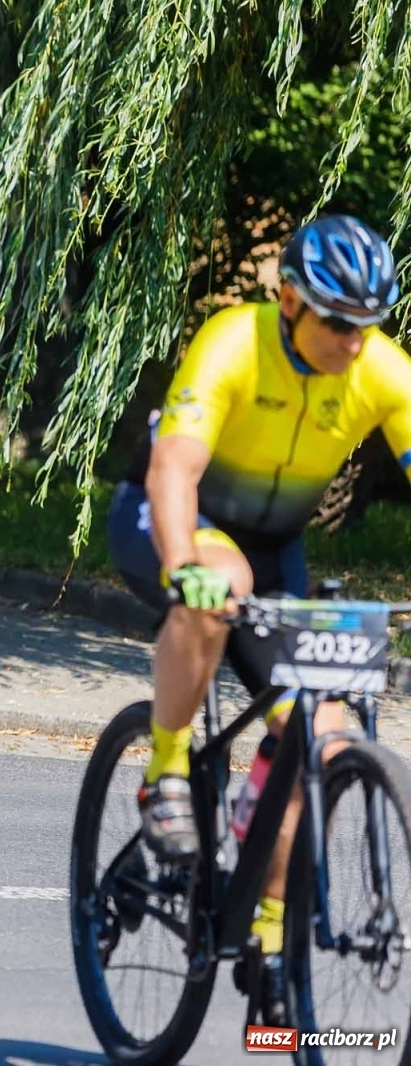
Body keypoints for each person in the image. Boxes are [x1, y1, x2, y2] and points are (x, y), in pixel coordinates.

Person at [107, 213, 411, 1022]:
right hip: (166, 517)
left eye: (368, 326)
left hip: (278, 551)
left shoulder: (382, 370)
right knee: (219, 573)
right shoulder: (234, 342)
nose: (354, 343)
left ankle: (270, 938)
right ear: (289, 300)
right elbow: (175, 466)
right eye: (338, 323)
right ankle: (166, 772)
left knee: (323, 732)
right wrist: (182, 567)